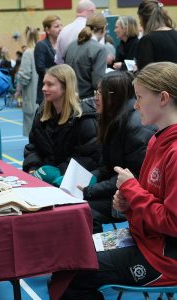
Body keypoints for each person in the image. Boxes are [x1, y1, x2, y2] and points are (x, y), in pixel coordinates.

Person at [59, 61, 177, 300]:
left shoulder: (174, 151)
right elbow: (151, 202)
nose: (135, 105)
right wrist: (129, 205)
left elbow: (172, 222)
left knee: (75, 271)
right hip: (146, 240)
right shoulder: (157, 140)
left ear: (163, 98)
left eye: (140, 97)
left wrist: (131, 189)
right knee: (70, 253)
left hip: (165, 258)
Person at [81, 71, 156, 233]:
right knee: (77, 206)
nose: (96, 97)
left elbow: (134, 174)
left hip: (129, 195)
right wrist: (90, 178)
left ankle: (91, 255)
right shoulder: (112, 120)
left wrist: (91, 190)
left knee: (84, 211)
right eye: (96, 92)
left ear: (115, 96)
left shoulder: (135, 126)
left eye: (101, 93)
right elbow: (106, 166)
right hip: (117, 188)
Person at [23, 64, 100, 186]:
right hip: (43, 177)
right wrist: (33, 168)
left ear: (65, 87)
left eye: (50, 84)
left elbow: (88, 157)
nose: (43, 88)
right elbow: (33, 147)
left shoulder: (84, 118)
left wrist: (59, 171)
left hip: (69, 181)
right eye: (44, 83)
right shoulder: (41, 113)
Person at [64, 13, 107, 102]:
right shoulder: (99, 49)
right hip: (87, 102)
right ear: (104, 29)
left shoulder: (71, 45)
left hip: (68, 99)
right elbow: (97, 83)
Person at [136, 0, 177, 71]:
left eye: (139, 19)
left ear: (143, 18)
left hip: (160, 81)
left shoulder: (147, 40)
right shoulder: (175, 34)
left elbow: (144, 72)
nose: (140, 23)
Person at [54, 0, 96, 64]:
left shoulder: (63, 30)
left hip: (66, 72)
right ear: (92, 11)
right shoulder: (92, 29)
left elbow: (58, 60)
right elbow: (97, 57)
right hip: (86, 72)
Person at [34, 15, 62, 105]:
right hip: (47, 90)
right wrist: (59, 77)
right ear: (47, 30)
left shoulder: (62, 44)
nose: (60, 29)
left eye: (61, 25)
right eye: (57, 26)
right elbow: (40, 68)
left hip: (61, 90)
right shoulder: (41, 45)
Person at [17, 27, 39, 136]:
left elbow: (24, 77)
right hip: (41, 96)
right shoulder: (41, 50)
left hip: (31, 95)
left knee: (32, 125)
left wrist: (18, 89)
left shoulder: (28, 53)